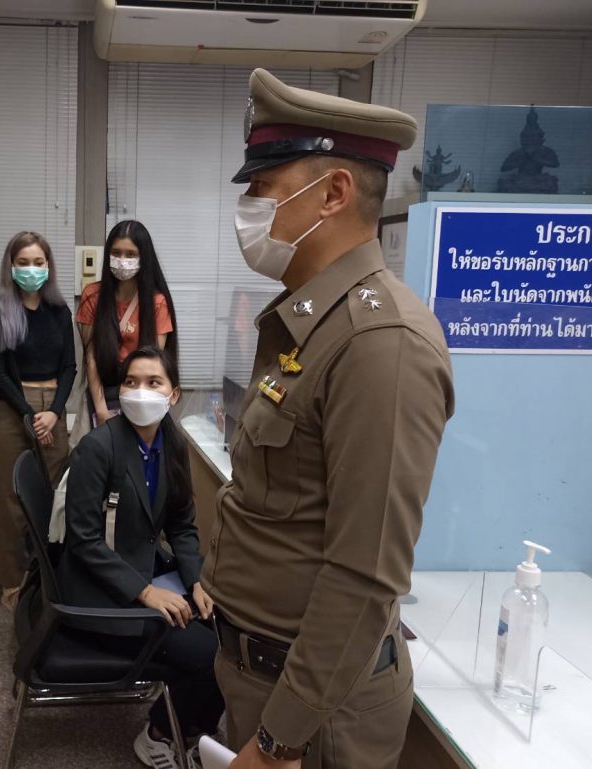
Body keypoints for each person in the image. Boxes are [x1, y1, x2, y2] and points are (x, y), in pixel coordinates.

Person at [205, 70, 455, 769]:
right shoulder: (312, 323)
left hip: (314, 716)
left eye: (264, 188)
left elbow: (365, 575)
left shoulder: (381, 342)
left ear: (335, 193)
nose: (249, 209)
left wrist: (278, 741)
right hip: (265, 680)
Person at [59, 345, 224, 769]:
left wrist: (196, 580)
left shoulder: (173, 445)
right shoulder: (98, 448)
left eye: (154, 382)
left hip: (149, 570)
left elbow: (182, 525)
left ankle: (194, 731)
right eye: (131, 382)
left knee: (230, 631)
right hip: (102, 593)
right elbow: (83, 541)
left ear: (174, 395)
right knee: (210, 656)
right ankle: (157, 735)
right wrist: (145, 592)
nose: (140, 391)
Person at [0, 231, 76, 609]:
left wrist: (53, 412)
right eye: (23, 262)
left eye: (38, 262)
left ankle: (48, 577)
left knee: (54, 499)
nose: (31, 269)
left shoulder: (60, 312)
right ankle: (11, 582)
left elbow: (69, 368)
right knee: (11, 502)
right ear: (11, 267)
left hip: (53, 408)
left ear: (48, 266)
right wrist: (28, 415)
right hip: (14, 409)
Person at [76, 220, 177, 427]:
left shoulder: (157, 302)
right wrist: (101, 410)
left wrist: (140, 407)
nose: (122, 261)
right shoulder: (92, 296)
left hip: (141, 395)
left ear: (144, 257)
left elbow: (153, 364)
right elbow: (91, 357)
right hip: (102, 393)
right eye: (116, 253)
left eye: (131, 254)